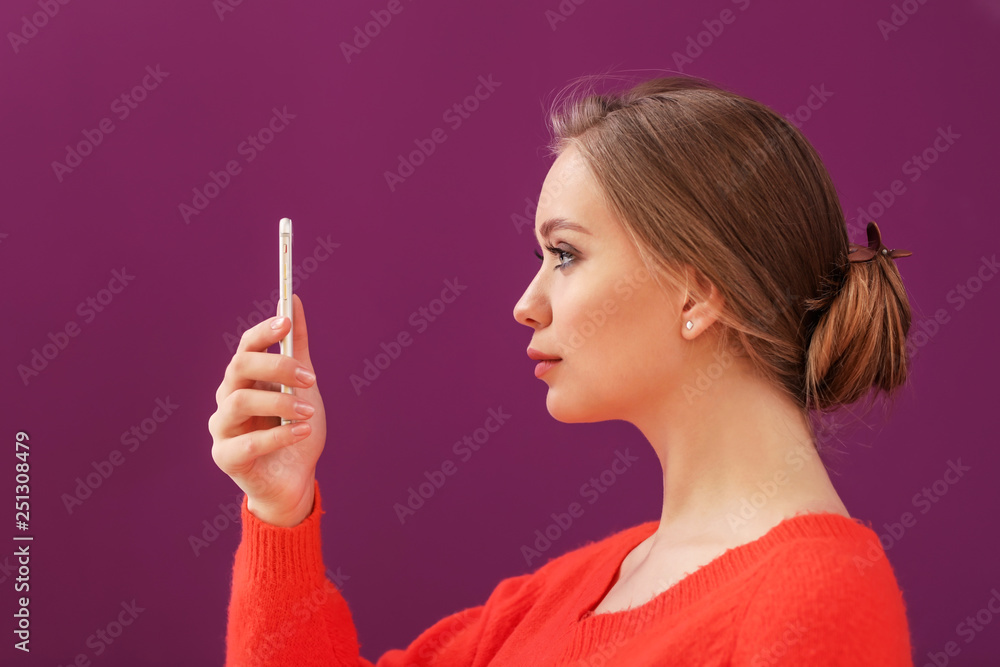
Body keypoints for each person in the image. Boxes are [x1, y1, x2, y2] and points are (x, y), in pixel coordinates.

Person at [209, 73, 916, 666]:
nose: (525, 304)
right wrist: (281, 508)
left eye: (567, 253)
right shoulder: (546, 601)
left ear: (700, 292)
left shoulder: (818, 595)